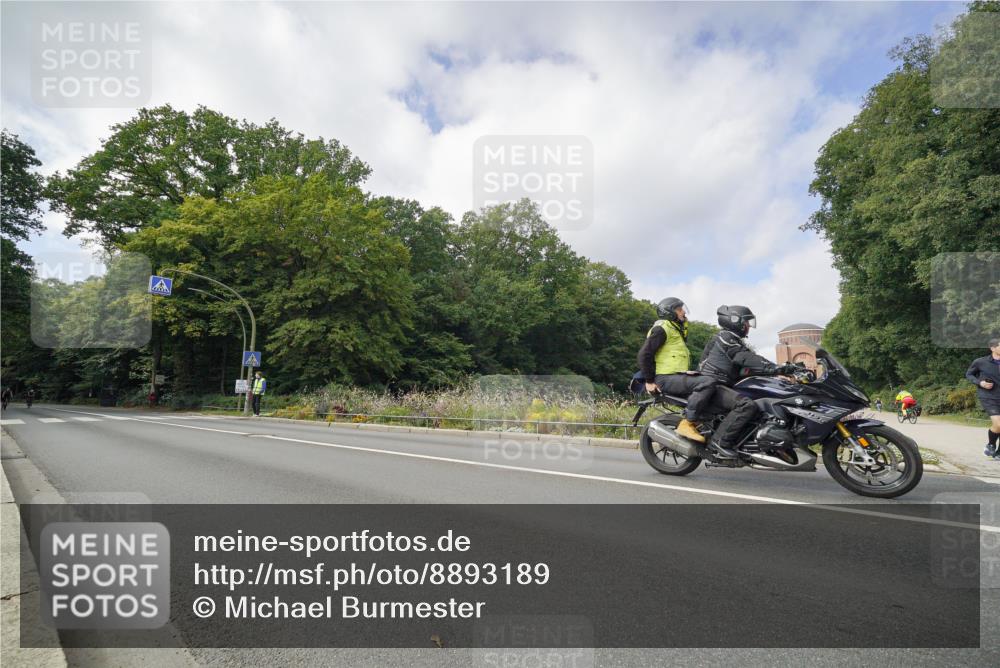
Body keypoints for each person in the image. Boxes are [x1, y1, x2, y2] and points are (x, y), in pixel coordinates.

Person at [698, 305, 798, 458]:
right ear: (735, 321)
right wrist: (778, 368)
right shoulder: (725, 338)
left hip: (724, 384)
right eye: (746, 322)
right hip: (713, 385)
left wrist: (775, 373)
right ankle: (719, 442)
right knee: (746, 406)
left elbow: (748, 367)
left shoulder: (733, 340)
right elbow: (745, 359)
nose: (748, 326)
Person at [637, 297, 718, 443]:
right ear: (669, 312)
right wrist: (649, 381)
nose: (683, 312)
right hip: (665, 378)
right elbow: (644, 355)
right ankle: (688, 423)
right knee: (707, 382)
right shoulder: (662, 329)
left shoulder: (675, 331)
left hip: (675, 376)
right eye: (679, 309)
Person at [966, 338, 1000, 459]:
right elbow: (969, 374)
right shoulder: (981, 362)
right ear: (993, 348)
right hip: (989, 396)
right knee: (998, 423)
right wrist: (980, 383)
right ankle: (991, 444)